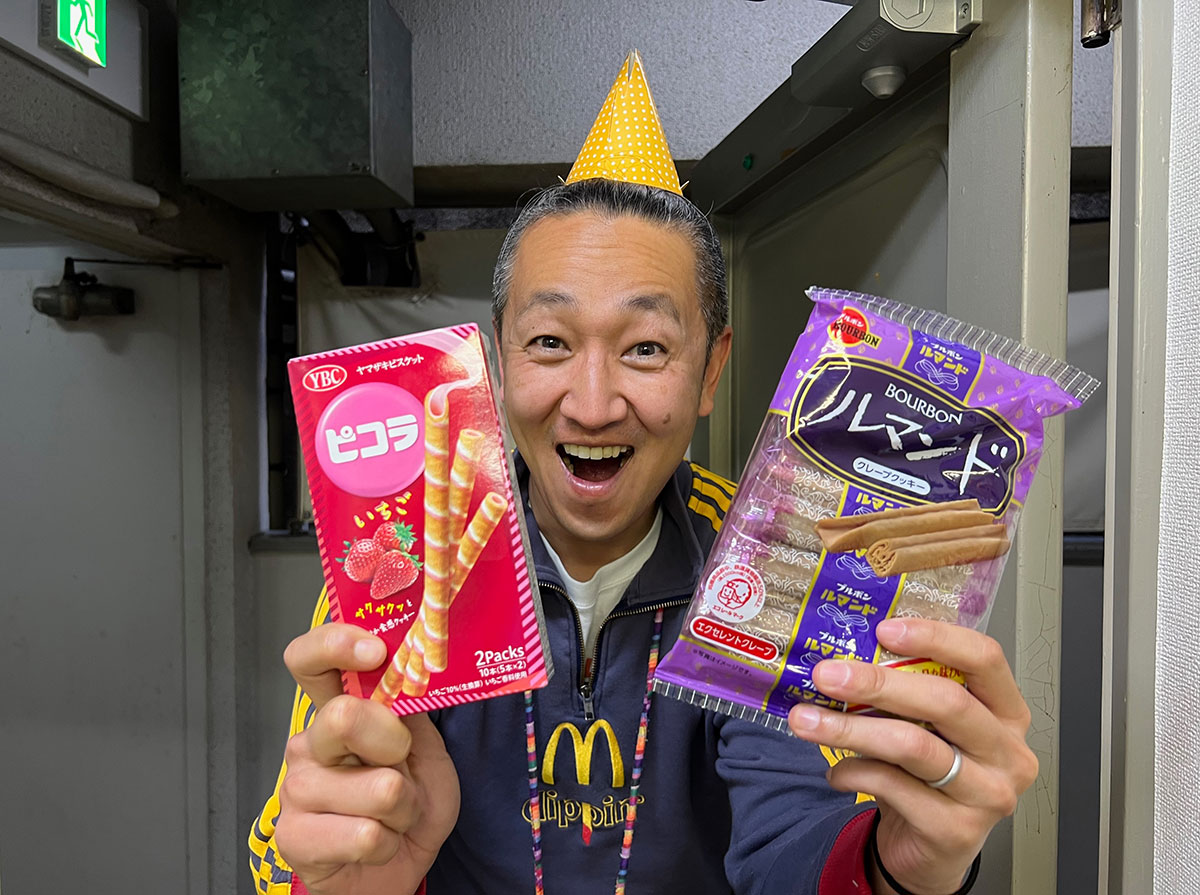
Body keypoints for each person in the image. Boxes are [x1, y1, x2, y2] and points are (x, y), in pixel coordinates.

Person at [250, 52, 1037, 895]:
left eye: (647, 349)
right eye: (549, 342)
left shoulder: (769, 565)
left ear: (709, 371)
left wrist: (889, 865)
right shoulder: (407, 564)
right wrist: (340, 879)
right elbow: (303, 837)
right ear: (499, 364)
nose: (592, 406)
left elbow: (799, 834)